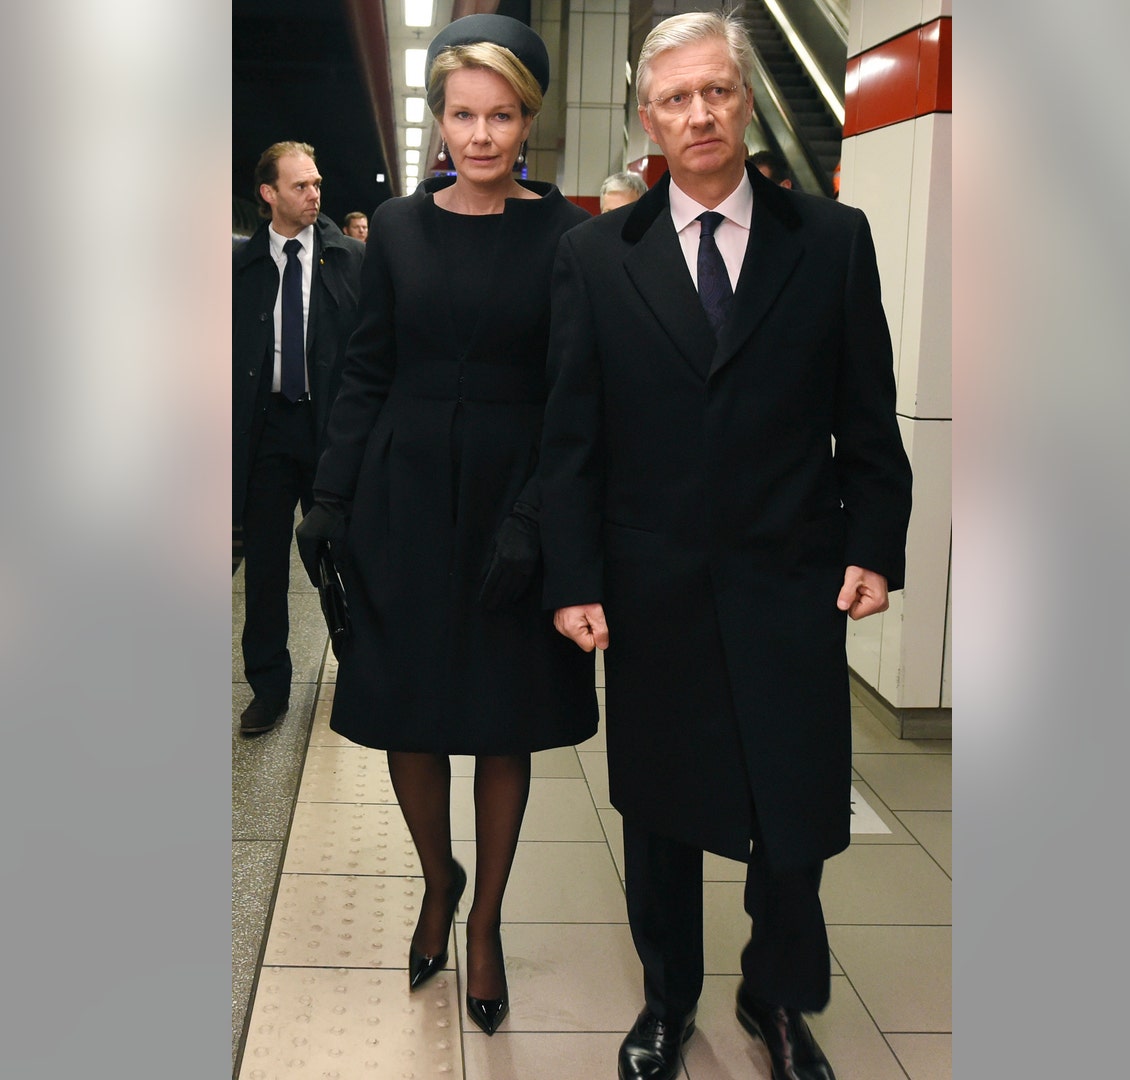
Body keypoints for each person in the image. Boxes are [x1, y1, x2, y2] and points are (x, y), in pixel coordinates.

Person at [540, 12, 912, 1080]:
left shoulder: (831, 242)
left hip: (793, 577)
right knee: (657, 809)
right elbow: (572, 438)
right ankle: (666, 1001)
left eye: (716, 91)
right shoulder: (596, 259)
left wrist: (876, 544)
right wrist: (574, 577)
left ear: (745, 99)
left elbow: (868, 414)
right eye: (675, 98)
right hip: (649, 585)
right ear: (645, 117)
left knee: (791, 811)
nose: (698, 114)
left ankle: (779, 1000)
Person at [293, 13, 596, 1038]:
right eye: (463, 114)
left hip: (515, 504)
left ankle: (486, 926)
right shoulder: (398, 227)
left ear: (528, 120)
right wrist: (329, 496)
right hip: (404, 501)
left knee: (503, 720)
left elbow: (573, 396)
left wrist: (536, 516)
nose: (480, 134)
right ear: (440, 119)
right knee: (407, 715)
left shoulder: (569, 240)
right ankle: (438, 878)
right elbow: (366, 370)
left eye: (501, 114)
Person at [232, 142, 364, 737]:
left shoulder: (349, 259)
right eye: (300, 186)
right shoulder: (241, 267)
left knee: (342, 555)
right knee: (263, 568)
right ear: (269, 195)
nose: (314, 195)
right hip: (265, 435)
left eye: (317, 184)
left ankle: (361, 671)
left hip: (329, 431)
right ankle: (268, 686)